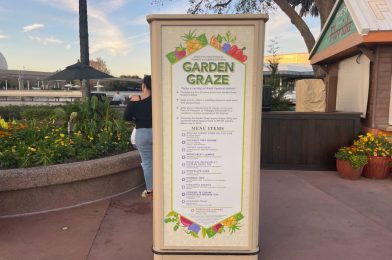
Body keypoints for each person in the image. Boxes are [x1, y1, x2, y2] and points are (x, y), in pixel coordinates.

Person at [123, 75, 152, 199]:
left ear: (144, 86)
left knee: (147, 163)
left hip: (142, 133)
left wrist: (137, 119)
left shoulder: (136, 99)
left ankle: (151, 191)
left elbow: (126, 117)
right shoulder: (160, 100)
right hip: (160, 133)